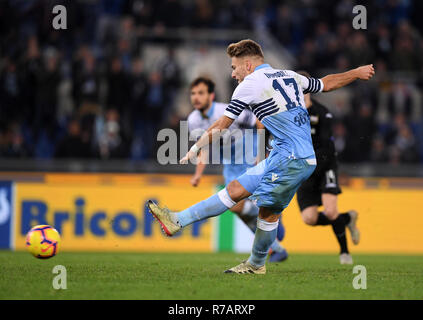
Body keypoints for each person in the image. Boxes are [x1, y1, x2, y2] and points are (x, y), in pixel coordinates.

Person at [148, 39, 375, 274]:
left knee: (267, 212)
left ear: (247, 65)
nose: (233, 74)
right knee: (235, 190)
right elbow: (326, 84)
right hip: (286, 156)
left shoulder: (250, 84)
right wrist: (356, 73)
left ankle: (256, 264)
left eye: (234, 67)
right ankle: (177, 220)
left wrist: (196, 148)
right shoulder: (289, 76)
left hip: (291, 159)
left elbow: (223, 123)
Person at [187, 76, 288, 262]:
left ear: (211, 95)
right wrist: (198, 175)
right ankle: (276, 246)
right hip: (230, 162)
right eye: (193, 93)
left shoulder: (225, 111)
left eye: (200, 93)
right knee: (237, 208)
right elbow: (204, 146)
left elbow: (258, 122)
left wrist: (262, 153)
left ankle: (273, 238)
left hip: (248, 154)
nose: (196, 97)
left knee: (240, 204)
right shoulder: (193, 120)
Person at [295, 71, 360, 265]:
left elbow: (328, 146)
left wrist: (312, 164)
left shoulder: (322, 112)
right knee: (309, 218)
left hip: (325, 167)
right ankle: (347, 218)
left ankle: (345, 252)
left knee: (331, 211)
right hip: (303, 171)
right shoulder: (288, 114)